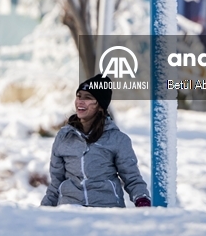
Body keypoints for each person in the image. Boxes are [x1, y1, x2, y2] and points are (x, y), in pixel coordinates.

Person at [41, 77, 151, 208]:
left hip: (107, 210)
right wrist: (44, 209)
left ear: (100, 105)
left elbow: (132, 178)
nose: (80, 102)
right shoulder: (64, 137)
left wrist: (142, 200)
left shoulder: (117, 139)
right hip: (71, 210)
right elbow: (56, 183)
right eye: (79, 96)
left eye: (87, 97)